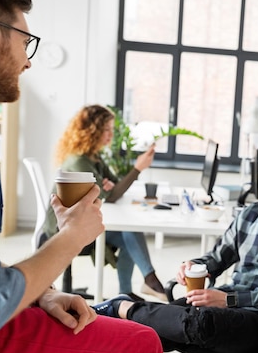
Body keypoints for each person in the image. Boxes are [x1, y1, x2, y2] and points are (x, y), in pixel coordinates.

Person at [0, 0, 163, 353]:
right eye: (25, 41)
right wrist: (72, 238)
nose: (28, 60)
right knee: (143, 343)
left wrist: (40, 293)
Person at [93, 139, 258, 353]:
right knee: (152, 330)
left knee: (198, 323)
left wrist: (230, 300)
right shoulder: (251, 213)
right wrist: (195, 265)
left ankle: (119, 307)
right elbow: (218, 258)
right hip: (228, 303)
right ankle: (94, 331)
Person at [43, 104, 168, 301]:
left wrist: (111, 186)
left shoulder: (94, 156)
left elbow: (114, 185)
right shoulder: (80, 162)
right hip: (62, 229)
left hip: (77, 221)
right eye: (106, 130)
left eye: (111, 129)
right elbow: (112, 195)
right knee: (130, 233)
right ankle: (145, 281)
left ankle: (130, 289)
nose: (110, 135)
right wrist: (137, 169)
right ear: (91, 131)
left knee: (130, 233)